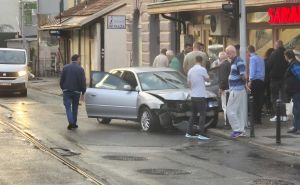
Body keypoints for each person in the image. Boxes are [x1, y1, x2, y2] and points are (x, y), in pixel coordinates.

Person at [226, 45, 247, 138]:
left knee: (230, 110)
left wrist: (244, 83)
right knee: (238, 111)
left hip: (236, 89)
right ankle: (241, 130)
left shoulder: (238, 61)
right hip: (237, 89)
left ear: (232, 52)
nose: (227, 55)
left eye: (228, 53)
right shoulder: (235, 61)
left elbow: (243, 75)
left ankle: (237, 129)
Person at [60, 54, 86, 130]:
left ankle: (71, 122)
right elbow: (83, 82)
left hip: (66, 91)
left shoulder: (65, 68)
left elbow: (61, 80)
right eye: (79, 59)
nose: (80, 61)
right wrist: (83, 92)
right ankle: (73, 123)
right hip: (76, 92)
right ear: (77, 59)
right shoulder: (80, 69)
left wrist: (63, 88)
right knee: (75, 108)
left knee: (68, 108)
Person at [186, 55, 210, 138]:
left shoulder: (190, 70)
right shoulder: (202, 69)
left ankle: (188, 132)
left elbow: (189, 84)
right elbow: (207, 79)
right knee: (202, 114)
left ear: (195, 61)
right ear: (202, 61)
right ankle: (201, 133)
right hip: (200, 95)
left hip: (193, 96)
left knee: (193, 114)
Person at [269, 40, 289, 122]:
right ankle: (284, 115)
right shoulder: (286, 53)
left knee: (274, 97)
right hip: (284, 78)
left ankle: (277, 115)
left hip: (275, 78)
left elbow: (269, 65)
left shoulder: (274, 54)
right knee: (283, 96)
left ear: (277, 45)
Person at [247, 45, 265, 124]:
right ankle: (259, 119)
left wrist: (250, 80)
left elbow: (252, 70)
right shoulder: (260, 58)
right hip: (261, 81)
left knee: (253, 100)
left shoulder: (252, 58)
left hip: (255, 81)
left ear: (248, 52)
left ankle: (254, 119)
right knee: (259, 100)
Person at [284, 50, 300, 134]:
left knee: (297, 109)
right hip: (295, 90)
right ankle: (296, 126)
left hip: (296, 90)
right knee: (296, 109)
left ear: (287, 56)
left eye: (285, 56)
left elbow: (299, 75)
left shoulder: (294, 64)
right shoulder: (293, 63)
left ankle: (297, 127)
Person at [217, 51, 231, 125]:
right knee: (230, 106)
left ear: (220, 58)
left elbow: (223, 78)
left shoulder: (222, 65)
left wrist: (221, 88)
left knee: (225, 106)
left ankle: (227, 123)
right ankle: (230, 121)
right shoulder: (229, 64)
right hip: (230, 87)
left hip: (225, 89)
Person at [263, 48, 275, 115]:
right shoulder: (268, 61)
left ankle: (268, 108)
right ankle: (269, 108)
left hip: (266, 79)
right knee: (269, 94)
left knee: (268, 94)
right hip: (268, 79)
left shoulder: (265, 60)